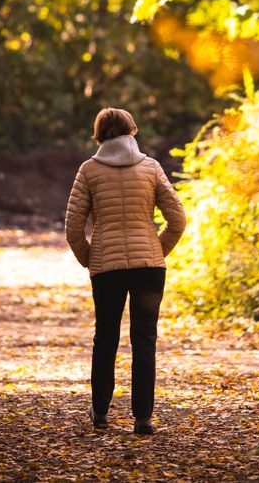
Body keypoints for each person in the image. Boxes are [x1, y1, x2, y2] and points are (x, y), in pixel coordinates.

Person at [64, 107, 187, 435]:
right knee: (145, 340)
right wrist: (156, 251)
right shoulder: (150, 167)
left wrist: (90, 258)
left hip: (107, 268)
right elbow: (178, 219)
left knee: (105, 338)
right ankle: (143, 418)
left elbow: (73, 227)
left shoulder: (89, 170)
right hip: (149, 267)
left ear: (100, 134)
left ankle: (101, 412)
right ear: (131, 131)